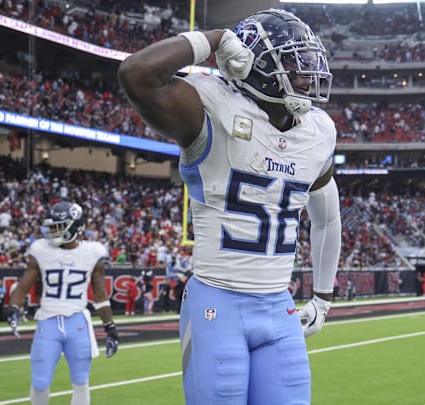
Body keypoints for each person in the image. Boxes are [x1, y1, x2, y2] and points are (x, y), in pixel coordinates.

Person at [118, 9, 341, 404]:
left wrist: (323, 296)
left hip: (278, 305)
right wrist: (216, 39)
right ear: (254, 62)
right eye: (293, 60)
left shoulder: (318, 131)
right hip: (216, 302)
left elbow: (327, 218)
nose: (308, 72)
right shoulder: (211, 105)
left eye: (308, 60)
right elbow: (136, 74)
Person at [5, 201, 120, 405]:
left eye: (58, 226)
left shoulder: (93, 252)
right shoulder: (41, 249)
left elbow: (100, 295)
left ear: (75, 226)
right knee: (40, 382)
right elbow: (23, 287)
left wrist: (110, 327)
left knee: (81, 382)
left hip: (77, 322)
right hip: (48, 320)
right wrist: (13, 308)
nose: (52, 231)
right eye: (51, 227)